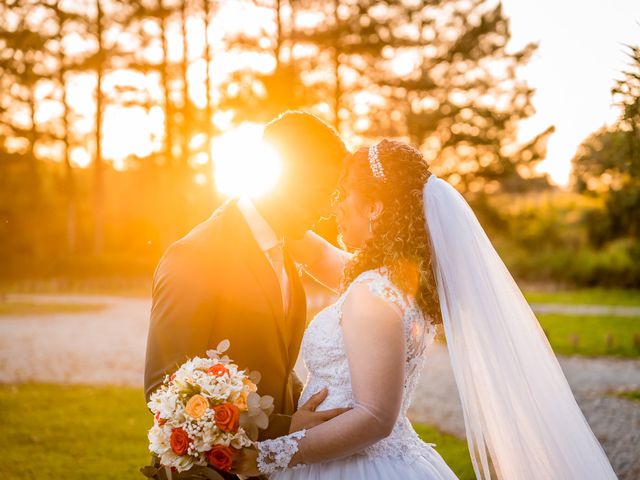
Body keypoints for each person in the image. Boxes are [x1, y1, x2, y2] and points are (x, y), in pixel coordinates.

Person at [232, 139, 617, 479]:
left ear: (375, 208)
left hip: (352, 466)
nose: (335, 206)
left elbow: (374, 418)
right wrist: (255, 207)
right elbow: (314, 253)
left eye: (345, 193)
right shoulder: (392, 281)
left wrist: (265, 456)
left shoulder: (374, 293)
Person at [143, 111, 349, 479]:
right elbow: (167, 389)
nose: (325, 211)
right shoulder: (196, 255)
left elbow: (273, 366)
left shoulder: (284, 247)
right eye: (322, 192)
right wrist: (285, 427)